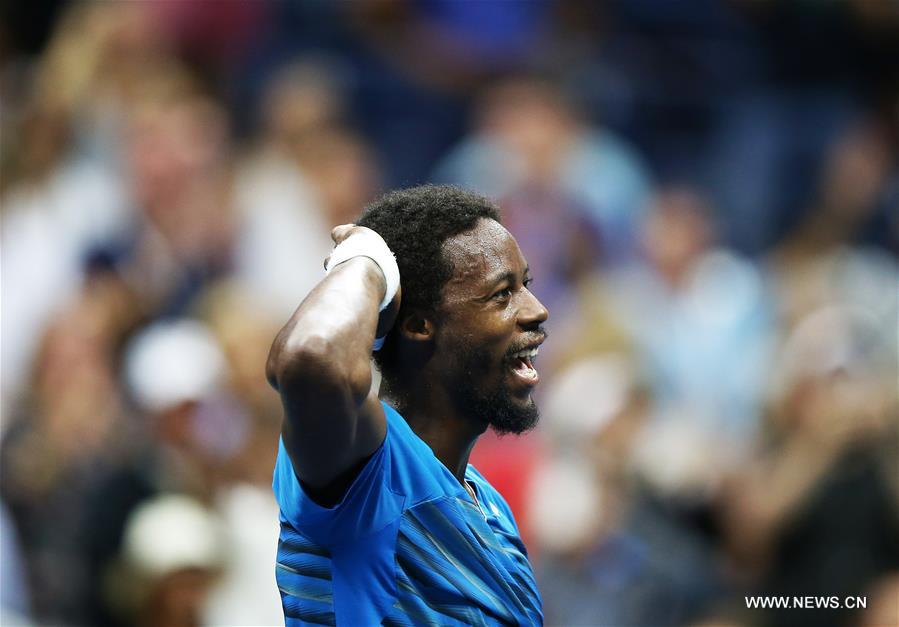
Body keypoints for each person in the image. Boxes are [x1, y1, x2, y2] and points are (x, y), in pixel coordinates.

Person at [266, 185, 548, 625]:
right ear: (419, 325)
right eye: (502, 294)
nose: (537, 310)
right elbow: (311, 356)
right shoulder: (366, 472)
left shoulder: (488, 505)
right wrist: (365, 260)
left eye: (525, 285)